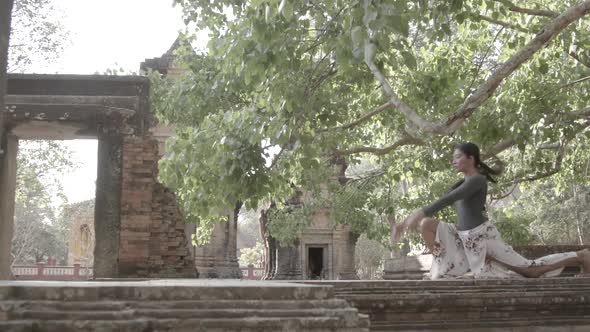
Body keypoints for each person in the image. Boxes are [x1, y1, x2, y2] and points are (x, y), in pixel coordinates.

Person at [390, 142, 590, 279]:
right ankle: (438, 261)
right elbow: (453, 205)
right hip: (464, 237)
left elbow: (448, 199)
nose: (454, 161)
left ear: (471, 158)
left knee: (530, 270)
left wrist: (417, 213)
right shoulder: (463, 182)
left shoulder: (478, 180)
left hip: (484, 238)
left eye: (458, 157)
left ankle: (580, 256)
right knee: (427, 224)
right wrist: (412, 222)